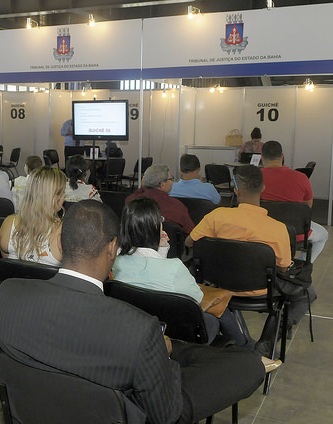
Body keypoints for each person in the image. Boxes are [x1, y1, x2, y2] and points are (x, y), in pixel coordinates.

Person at [0, 200, 265, 424]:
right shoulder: (137, 330)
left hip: (35, 411)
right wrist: (163, 356)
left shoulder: (9, 294)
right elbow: (165, 415)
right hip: (118, 407)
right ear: (113, 248)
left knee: (181, 352)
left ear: (61, 243)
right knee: (247, 365)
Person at [186, 165, 315, 357]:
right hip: (262, 291)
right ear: (263, 188)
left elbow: (190, 242)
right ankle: (267, 341)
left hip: (218, 286)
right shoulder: (279, 229)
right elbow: (283, 265)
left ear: (236, 190)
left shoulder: (215, 217)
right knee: (307, 292)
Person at [113, 197, 263, 352]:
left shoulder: (115, 261)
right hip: (177, 335)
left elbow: (150, 269)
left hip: (138, 327)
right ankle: (249, 352)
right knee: (215, 316)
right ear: (155, 228)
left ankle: (249, 351)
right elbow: (196, 299)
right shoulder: (174, 268)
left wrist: (160, 249)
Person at [260, 140, 328, 262]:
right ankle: (300, 266)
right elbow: (307, 209)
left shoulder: (256, 178)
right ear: (282, 156)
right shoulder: (301, 177)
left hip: (263, 231)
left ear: (262, 157)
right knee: (323, 235)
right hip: (295, 232)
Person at [0, 166, 65, 266]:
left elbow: (9, 269)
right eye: (63, 191)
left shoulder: (8, 224)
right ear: (56, 197)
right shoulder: (64, 233)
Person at [126, 164, 195, 235]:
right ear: (162, 185)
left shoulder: (131, 201)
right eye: (171, 179)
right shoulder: (177, 206)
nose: (172, 182)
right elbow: (190, 232)